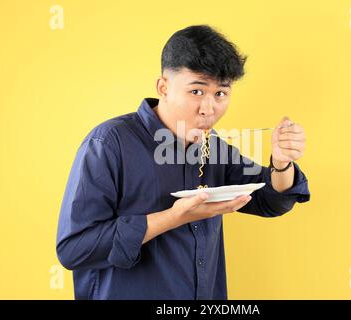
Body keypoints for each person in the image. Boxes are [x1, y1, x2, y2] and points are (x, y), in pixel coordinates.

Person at [56, 25, 311, 300]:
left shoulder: (214, 148)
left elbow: (269, 200)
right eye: (197, 92)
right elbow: (74, 249)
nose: (209, 108)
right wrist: (174, 217)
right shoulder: (108, 143)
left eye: (221, 94)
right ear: (163, 86)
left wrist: (281, 163)